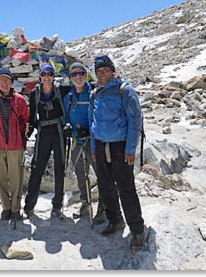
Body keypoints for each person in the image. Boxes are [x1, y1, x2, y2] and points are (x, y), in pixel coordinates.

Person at [88, 55, 145, 250]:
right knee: (105, 186)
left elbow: (135, 121)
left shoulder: (124, 90)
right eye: (98, 71)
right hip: (101, 145)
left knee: (125, 187)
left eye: (105, 70)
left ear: (112, 71)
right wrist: (94, 148)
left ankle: (137, 229)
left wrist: (130, 149)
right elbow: (92, 122)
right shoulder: (95, 93)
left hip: (120, 146)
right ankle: (115, 220)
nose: (102, 74)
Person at [62, 62, 110, 223]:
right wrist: (67, 126)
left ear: (86, 74)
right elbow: (66, 117)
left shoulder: (94, 93)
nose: (78, 77)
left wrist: (90, 131)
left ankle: (104, 207)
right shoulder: (68, 97)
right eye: (74, 74)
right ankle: (85, 203)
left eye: (81, 73)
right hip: (77, 140)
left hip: (93, 141)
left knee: (101, 174)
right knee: (81, 175)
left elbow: (101, 117)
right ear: (70, 77)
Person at [0, 68, 29, 221]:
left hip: (16, 146)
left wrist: (23, 136)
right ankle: (6, 207)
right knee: (1, 178)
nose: (4, 83)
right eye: (1, 79)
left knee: (16, 178)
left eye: (7, 80)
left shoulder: (19, 100)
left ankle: (16, 208)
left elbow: (25, 120)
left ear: (11, 82)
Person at [23, 63, 70, 218]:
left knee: (59, 168)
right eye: (44, 74)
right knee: (37, 168)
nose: (47, 77)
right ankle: (29, 206)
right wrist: (28, 132)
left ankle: (57, 205)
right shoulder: (34, 94)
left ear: (53, 76)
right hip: (43, 132)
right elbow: (31, 117)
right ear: (40, 77)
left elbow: (81, 88)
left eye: (50, 74)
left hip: (58, 132)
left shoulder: (62, 90)